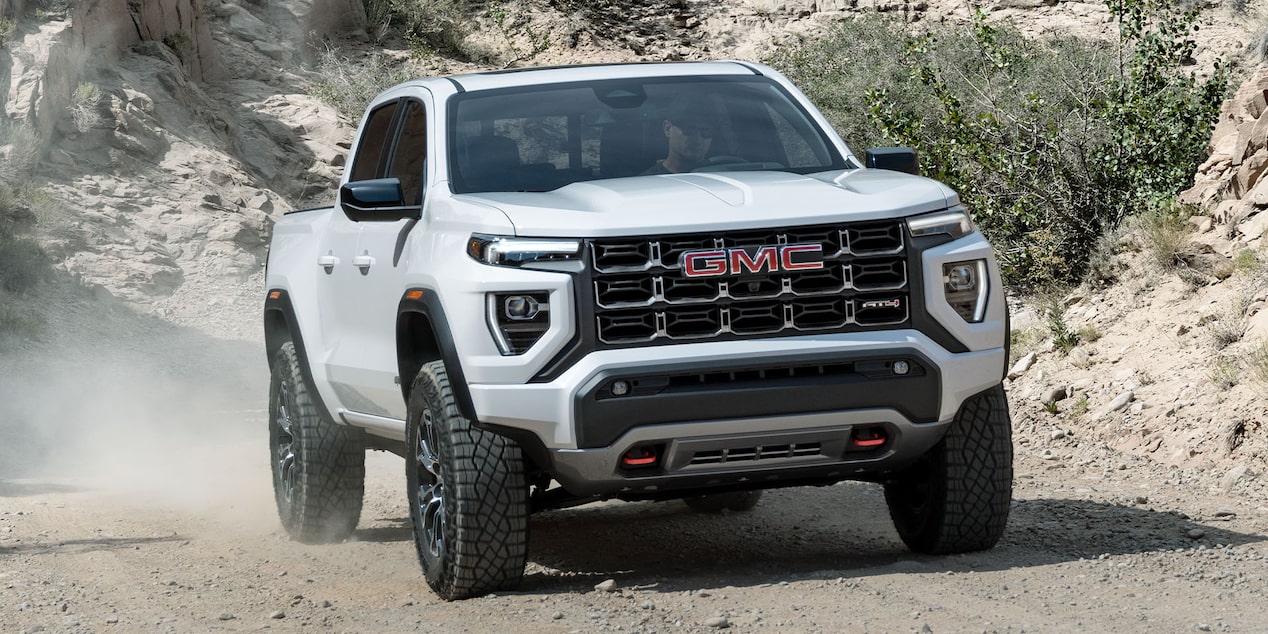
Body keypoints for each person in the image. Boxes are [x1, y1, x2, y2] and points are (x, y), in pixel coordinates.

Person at [642, 96, 716, 175]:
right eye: (689, 129)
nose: (698, 139)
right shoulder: (646, 184)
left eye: (706, 131)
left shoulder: (723, 175)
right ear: (667, 129)